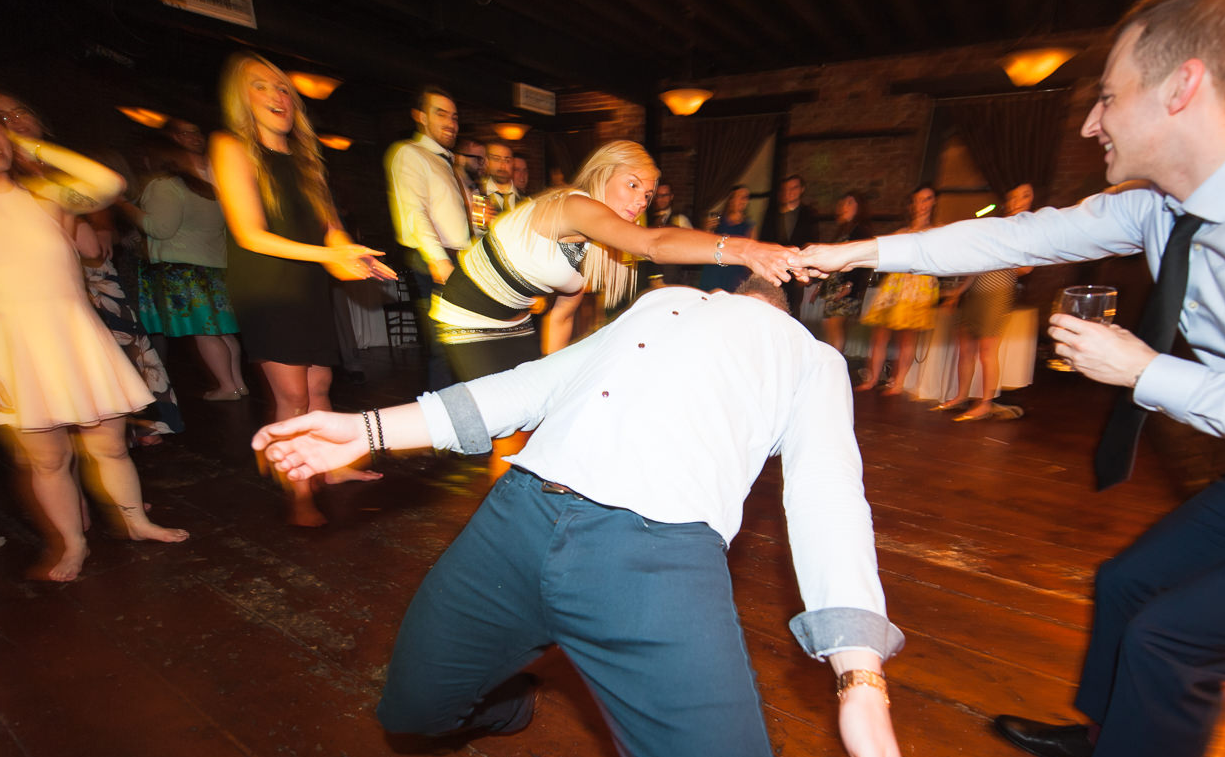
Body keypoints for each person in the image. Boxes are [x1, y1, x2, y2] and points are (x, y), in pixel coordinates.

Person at [795, 0, 1225, 757]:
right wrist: (847, 252)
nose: (1091, 123)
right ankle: (1109, 739)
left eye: (1107, 98)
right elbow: (998, 241)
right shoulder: (1160, 204)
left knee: (1176, 641)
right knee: (1129, 582)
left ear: (1181, 87)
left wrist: (1146, 372)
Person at [253, 277, 908, 757]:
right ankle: (510, 703)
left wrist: (861, 682)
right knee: (412, 709)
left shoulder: (808, 356)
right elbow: (534, 385)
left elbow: (828, 499)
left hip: (658, 564)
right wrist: (367, 429)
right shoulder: (665, 302)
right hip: (519, 515)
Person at [0, 83, 188, 580]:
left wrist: (31, 144)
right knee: (48, 459)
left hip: (76, 334)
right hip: (15, 345)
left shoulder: (47, 196)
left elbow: (107, 183)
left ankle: (136, 523)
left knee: (109, 444)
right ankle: (73, 544)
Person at [429, 141, 796, 480]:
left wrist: (553, 382)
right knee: (505, 428)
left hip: (517, 325)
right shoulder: (573, 206)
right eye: (632, 185)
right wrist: (747, 250)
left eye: (648, 195)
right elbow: (652, 243)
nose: (641, 201)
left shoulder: (591, 248)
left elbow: (562, 315)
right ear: (604, 172)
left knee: (532, 423)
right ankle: (504, 527)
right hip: (468, 320)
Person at [209, 53, 395, 527]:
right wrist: (329, 257)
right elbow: (251, 234)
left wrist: (353, 257)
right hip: (268, 287)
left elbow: (331, 229)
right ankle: (299, 493)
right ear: (241, 98)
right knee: (291, 396)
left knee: (320, 384)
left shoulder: (308, 161)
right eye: (261, 86)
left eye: (283, 88)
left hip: (308, 282)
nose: (277, 96)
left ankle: (329, 469)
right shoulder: (232, 147)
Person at [126, 138, 246, 403]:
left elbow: (160, 228)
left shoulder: (165, 186)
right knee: (221, 331)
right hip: (211, 267)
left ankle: (227, 386)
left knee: (204, 332)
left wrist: (127, 207)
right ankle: (237, 384)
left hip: (182, 269)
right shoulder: (209, 189)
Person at [385, 86, 471, 392]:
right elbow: (413, 212)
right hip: (435, 259)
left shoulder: (446, 161)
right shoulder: (410, 153)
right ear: (420, 116)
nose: (451, 122)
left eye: (455, 116)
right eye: (441, 113)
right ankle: (443, 430)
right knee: (443, 349)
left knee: (463, 345)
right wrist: (438, 259)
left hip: (458, 257)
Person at [938, 182, 1035, 421]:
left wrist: (1004, 253)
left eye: (1023, 196)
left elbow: (1026, 268)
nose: (1017, 201)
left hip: (997, 293)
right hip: (976, 293)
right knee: (965, 349)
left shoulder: (1030, 230)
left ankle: (985, 403)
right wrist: (958, 292)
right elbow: (978, 266)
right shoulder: (997, 226)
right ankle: (960, 396)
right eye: (1013, 197)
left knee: (987, 351)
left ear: (1030, 201)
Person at [856, 185, 938, 395]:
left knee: (906, 338)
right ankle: (872, 378)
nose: (921, 205)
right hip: (895, 284)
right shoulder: (903, 232)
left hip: (918, 285)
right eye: (918, 200)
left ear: (933, 202)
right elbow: (880, 248)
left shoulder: (938, 231)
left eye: (927, 199)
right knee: (879, 335)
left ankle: (898, 382)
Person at [813, 191, 874, 353]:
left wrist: (850, 285)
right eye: (844, 203)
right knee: (828, 325)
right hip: (834, 287)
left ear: (858, 207)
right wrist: (821, 285)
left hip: (846, 287)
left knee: (836, 325)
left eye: (850, 203)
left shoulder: (861, 231)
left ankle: (836, 362)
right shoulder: (843, 230)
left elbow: (861, 262)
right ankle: (831, 360)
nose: (845, 207)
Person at [759, 174, 820, 319]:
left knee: (791, 310)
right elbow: (763, 241)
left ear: (801, 190)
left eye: (794, 188)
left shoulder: (807, 214)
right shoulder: (772, 213)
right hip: (774, 267)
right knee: (769, 306)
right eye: (786, 189)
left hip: (796, 270)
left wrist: (808, 272)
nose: (789, 192)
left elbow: (811, 243)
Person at [696, 183, 756, 293]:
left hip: (735, 272)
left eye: (746, 197)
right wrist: (706, 229)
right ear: (731, 200)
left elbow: (752, 251)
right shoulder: (717, 220)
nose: (743, 200)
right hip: (715, 269)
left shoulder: (749, 225)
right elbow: (704, 243)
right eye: (740, 197)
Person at [642, 180, 693, 288]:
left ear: (671, 197)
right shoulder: (645, 219)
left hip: (672, 280)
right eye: (657, 195)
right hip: (647, 279)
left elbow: (691, 250)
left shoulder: (679, 220)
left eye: (664, 195)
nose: (660, 199)